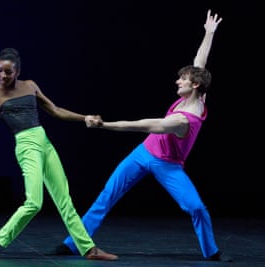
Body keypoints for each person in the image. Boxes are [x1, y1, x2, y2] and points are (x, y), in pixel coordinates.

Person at [55, 9, 232, 262]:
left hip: (168, 165)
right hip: (144, 153)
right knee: (107, 195)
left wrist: (105, 125)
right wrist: (209, 32)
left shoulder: (184, 119)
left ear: (194, 86)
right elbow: (199, 61)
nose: (177, 81)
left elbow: (141, 124)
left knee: (196, 207)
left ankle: (211, 251)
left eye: (182, 79)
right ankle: (73, 242)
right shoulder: (199, 92)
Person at [0, 48, 118, 261]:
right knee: (34, 202)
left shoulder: (30, 86)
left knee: (64, 200)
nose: (3, 76)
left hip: (44, 143)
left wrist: (85, 118)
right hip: (26, 146)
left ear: (17, 72)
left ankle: (89, 249)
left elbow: (55, 110)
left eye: (8, 72)